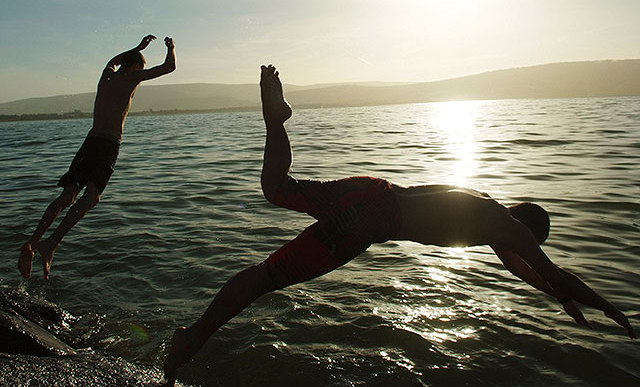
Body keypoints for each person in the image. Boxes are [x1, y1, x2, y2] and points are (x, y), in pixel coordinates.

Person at [162, 64, 635, 385]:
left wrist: (561, 298)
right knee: (267, 277)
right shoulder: (508, 230)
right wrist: (609, 307)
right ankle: (195, 337)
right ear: (528, 230)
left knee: (275, 186)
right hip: (366, 219)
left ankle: (276, 121)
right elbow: (549, 270)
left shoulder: (490, 211)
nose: (524, 248)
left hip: (369, 188)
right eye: (530, 241)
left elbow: (526, 271)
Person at [18, 35, 177, 280]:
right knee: (91, 197)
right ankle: (51, 244)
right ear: (136, 67)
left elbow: (111, 61)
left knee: (67, 196)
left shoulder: (107, 76)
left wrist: (137, 48)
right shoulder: (131, 76)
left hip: (89, 142)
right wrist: (171, 47)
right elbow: (169, 68)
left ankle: (32, 242)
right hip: (108, 144)